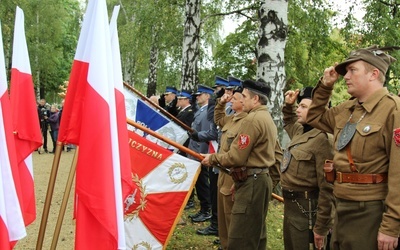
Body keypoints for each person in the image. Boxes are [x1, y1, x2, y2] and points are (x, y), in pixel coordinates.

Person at [306, 45, 400, 250]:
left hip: (370, 210)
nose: (346, 76)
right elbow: (313, 117)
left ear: (373, 74)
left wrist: (392, 225)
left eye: (352, 70)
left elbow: (398, 172)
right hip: (340, 204)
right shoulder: (347, 108)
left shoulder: (393, 109)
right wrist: (325, 86)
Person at [202, 79, 278, 250]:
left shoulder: (252, 119)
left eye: (244, 96)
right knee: (255, 234)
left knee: (240, 238)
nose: (241, 100)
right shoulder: (265, 117)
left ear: (256, 99)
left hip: (252, 181)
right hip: (255, 179)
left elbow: (236, 156)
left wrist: (212, 159)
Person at [281, 87, 334, 250]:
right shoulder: (300, 130)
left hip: (309, 209)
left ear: (318, 109)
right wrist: (288, 105)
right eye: (299, 105)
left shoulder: (323, 139)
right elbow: (289, 120)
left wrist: (321, 226)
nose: (298, 109)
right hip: (292, 208)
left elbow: (327, 188)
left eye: (304, 106)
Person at [187, 84, 218, 224]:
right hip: (195, 150)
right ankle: (204, 209)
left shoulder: (207, 113)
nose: (197, 97)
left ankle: (206, 209)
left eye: (200, 95)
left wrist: (200, 154)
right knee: (199, 182)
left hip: (201, 151)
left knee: (202, 182)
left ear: (207, 96)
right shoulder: (202, 110)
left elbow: (206, 134)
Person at [175, 89, 195, 209]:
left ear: (187, 100)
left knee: (186, 169)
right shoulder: (181, 110)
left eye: (181, 99)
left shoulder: (190, 112)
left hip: (186, 144)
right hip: (180, 143)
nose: (179, 101)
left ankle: (190, 199)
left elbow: (185, 128)